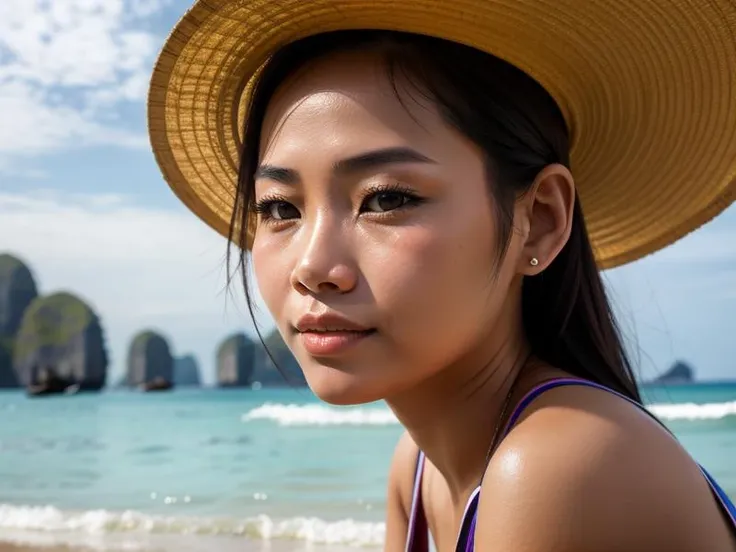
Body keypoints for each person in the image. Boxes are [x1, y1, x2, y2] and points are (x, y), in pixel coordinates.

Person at [148, 1, 736, 550]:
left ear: (539, 221)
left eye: (385, 200)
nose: (312, 268)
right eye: (280, 208)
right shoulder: (418, 467)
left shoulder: (557, 468)